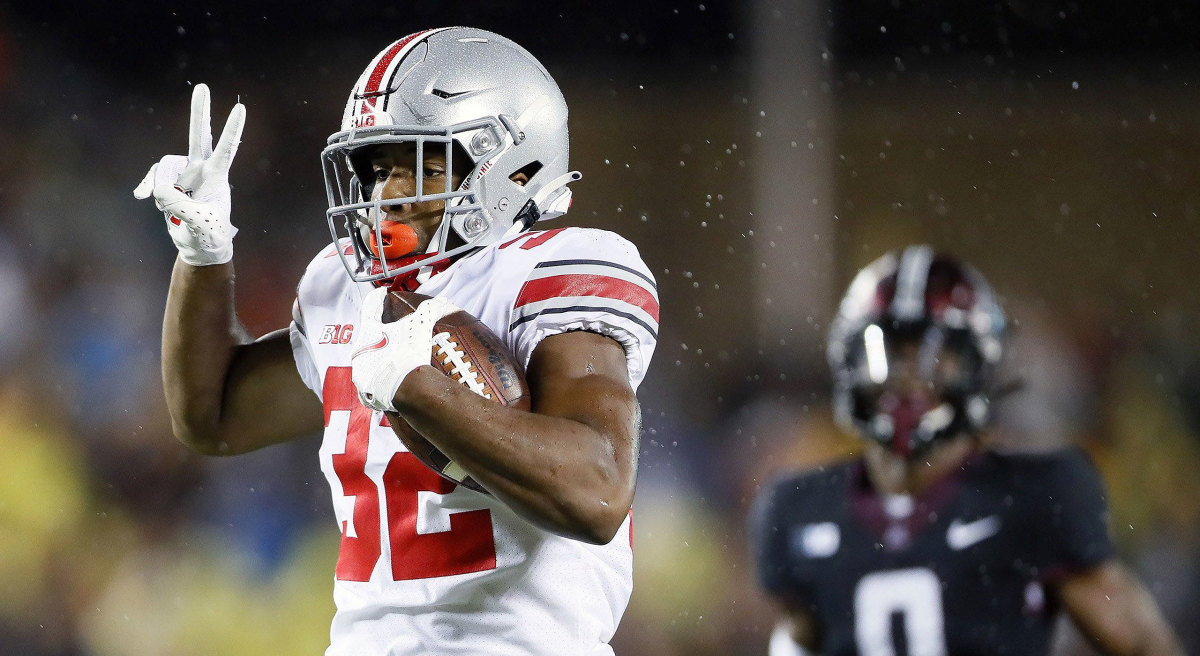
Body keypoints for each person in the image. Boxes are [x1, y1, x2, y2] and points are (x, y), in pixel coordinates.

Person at [133, 27, 658, 656]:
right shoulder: (344, 285)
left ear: (513, 167)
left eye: (425, 166)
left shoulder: (553, 268)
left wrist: (419, 391)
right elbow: (212, 418)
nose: (389, 195)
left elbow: (596, 492)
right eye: (380, 169)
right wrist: (203, 255)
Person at [750, 245, 1183, 655]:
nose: (909, 379)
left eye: (936, 358)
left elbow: (1142, 645)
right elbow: (796, 638)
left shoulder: (1034, 497)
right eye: (891, 354)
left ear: (978, 365)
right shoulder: (799, 509)